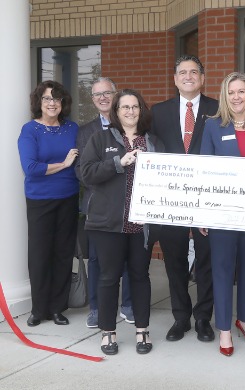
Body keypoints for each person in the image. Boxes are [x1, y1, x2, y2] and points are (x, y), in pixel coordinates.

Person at [80, 89, 163, 355]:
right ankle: (108, 332)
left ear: (141, 110)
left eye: (135, 106)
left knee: (140, 277)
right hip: (108, 225)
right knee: (108, 277)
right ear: (116, 112)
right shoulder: (100, 138)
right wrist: (118, 162)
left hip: (141, 225)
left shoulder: (153, 142)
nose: (130, 111)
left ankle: (142, 330)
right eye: (124, 107)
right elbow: (86, 173)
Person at [200, 72, 245, 357]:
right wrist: (203, 213)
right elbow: (204, 170)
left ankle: (244, 320)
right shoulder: (213, 127)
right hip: (221, 213)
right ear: (224, 95)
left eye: (242, 91)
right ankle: (225, 329)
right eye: (232, 92)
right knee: (222, 269)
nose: (237, 97)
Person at [150, 55, 218, 343]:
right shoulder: (158, 111)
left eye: (193, 72)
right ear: (175, 79)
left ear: (202, 78)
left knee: (207, 259)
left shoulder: (217, 108)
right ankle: (181, 317)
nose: (188, 76)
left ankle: (203, 318)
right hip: (171, 200)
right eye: (182, 72)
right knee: (174, 260)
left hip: (208, 197)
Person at [18, 80, 79, 327]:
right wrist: (63, 165)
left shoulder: (73, 129)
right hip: (40, 199)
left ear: (63, 103)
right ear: (39, 103)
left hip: (68, 197)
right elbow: (31, 168)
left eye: (56, 98)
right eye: (46, 98)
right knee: (40, 254)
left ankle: (57, 307)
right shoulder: (30, 130)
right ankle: (38, 309)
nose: (52, 103)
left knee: (63, 253)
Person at [75, 77, 135, 328]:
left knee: (130, 259)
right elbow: (82, 170)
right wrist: (106, 187)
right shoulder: (86, 131)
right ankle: (97, 308)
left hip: (130, 204)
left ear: (115, 95)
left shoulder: (131, 126)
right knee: (98, 260)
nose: (102, 97)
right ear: (92, 99)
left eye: (107, 93)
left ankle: (129, 305)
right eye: (97, 94)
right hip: (98, 205)